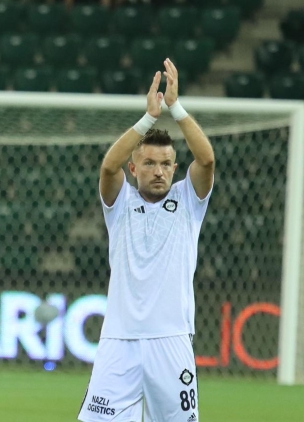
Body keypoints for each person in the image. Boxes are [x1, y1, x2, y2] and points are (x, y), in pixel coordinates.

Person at [78, 59, 215, 422]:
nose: (159, 171)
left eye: (166, 164)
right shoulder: (120, 202)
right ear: (134, 168)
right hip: (118, 341)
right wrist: (148, 119)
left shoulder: (188, 200)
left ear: (175, 168)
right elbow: (108, 167)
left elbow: (206, 159)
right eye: (150, 163)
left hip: (171, 340)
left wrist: (175, 108)